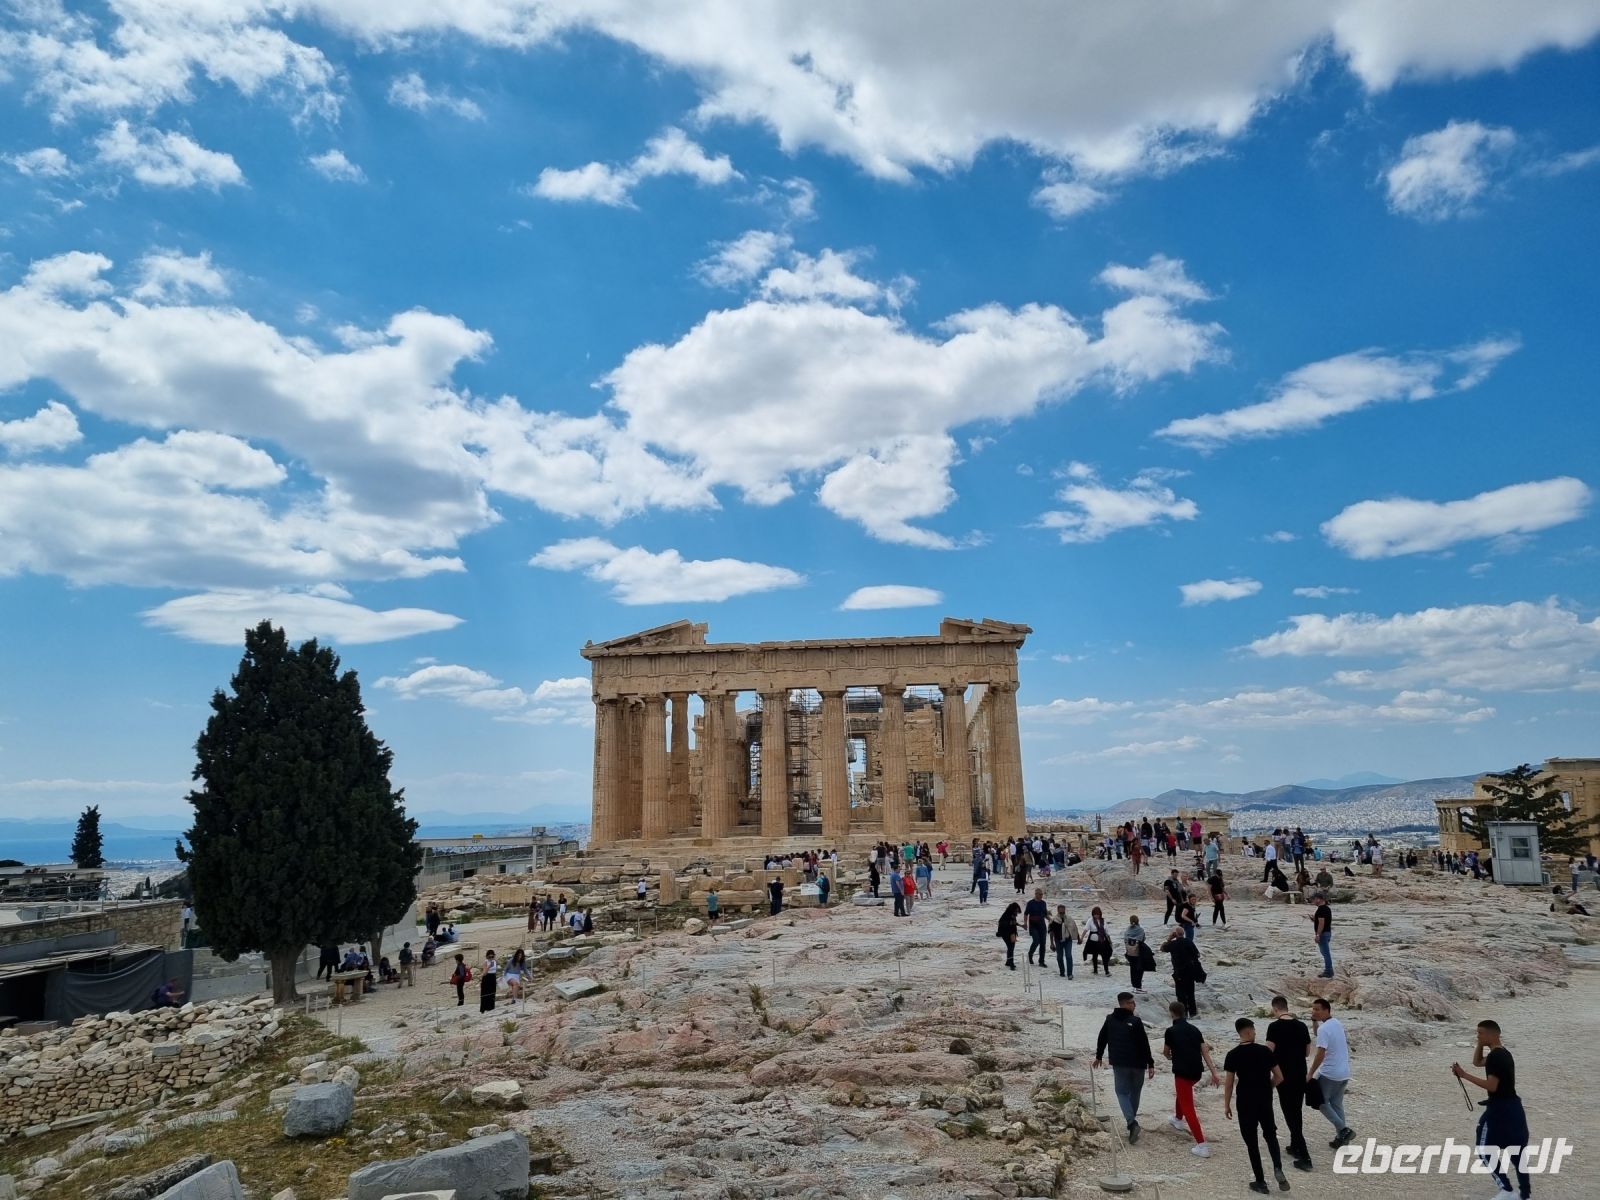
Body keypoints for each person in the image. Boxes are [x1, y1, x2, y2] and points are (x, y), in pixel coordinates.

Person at [1453, 1019, 1532, 1199]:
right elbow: (1477, 1061)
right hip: (1514, 1107)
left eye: (1480, 1033)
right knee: (1517, 1151)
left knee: (1484, 1149)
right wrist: (1480, 1044)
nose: (1477, 1036)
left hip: (1499, 1109)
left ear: (1492, 1034)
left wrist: (1463, 1075)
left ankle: (1506, 1190)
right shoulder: (1503, 1053)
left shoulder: (1496, 1057)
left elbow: (1492, 1086)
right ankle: (1525, 1194)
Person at [1224, 1017, 1290, 1194]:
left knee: (1252, 1143)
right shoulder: (1265, 1051)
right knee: (1270, 1135)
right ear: (1249, 1031)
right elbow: (1279, 1077)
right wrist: (1269, 1086)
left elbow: (1229, 1083)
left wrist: (1226, 1105)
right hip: (1264, 1100)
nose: (1255, 1032)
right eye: (1254, 1029)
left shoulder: (1232, 1055)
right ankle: (1277, 1167)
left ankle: (1260, 1182)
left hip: (1245, 1102)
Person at [1094, 992, 1155, 1143]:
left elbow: (1102, 1038)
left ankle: (1131, 1123)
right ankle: (1131, 1123)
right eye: (1132, 1003)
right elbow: (1144, 1043)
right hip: (1138, 1064)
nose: (1134, 1005)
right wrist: (1151, 1063)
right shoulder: (1136, 1021)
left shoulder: (1110, 1019)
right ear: (1126, 1004)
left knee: (1121, 1092)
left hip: (1120, 1063)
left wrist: (1099, 1056)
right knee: (1135, 1092)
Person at [1163, 1000, 1221, 1157]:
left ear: (1171, 1013)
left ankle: (1202, 1145)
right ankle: (1177, 1119)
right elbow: (1205, 1052)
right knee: (1183, 1095)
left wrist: (1170, 1057)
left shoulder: (1170, 1031)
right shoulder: (1195, 1030)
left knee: (1189, 1107)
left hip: (1182, 1072)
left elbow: (1166, 1052)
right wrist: (1214, 1073)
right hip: (1197, 1073)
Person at [1264, 996, 1314, 1171]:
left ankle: (1305, 1155)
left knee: (1289, 1113)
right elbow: (1308, 1052)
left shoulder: (1274, 1027)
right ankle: (1294, 1145)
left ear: (1275, 1008)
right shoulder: (1301, 1026)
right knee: (1296, 1110)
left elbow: (1268, 1052)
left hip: (1283, 1076)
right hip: (1300, 1074)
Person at [1308, 998, 1353, 1149]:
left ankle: (1344, 1130)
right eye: (1313, 1009)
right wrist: (1314, 1021)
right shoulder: (1335, 1023)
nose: (1314, 1011)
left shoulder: (1324, 1029)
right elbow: (1318, 1033)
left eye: (1317, 1009)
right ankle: (1342, 1138)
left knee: (1320, 1102)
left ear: (1327, 1010)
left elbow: (1320, 1053)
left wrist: (1311, 1072)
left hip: (1330, 1073)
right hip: (1344, 1072)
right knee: (1336, 1104)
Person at [1160, 925, 1203, 1016]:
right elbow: (1198, 954)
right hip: (1190, 971)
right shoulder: (1188, 941)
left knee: (1180, 994)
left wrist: (1169, 938)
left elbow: (1162, 949)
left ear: (1175, 934)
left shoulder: (1173, 944)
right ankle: (1193, 1013)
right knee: (1191, 993)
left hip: (1179, 972)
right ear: (1183, 933)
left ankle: (1183, 1014)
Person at [1049, 904, 1080, 979]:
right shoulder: (1054, 920)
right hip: (1058, 940)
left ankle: (1070, 973)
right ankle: (1062, 971)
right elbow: (1051, 932)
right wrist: (1052, 943)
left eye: (1063, 912)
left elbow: (1074, 929)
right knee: (1059, 957)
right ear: (1058, 911)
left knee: (1068, 956)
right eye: (1061, 912)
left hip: (1068, 940)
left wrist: (1078, 938)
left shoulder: (1069, 919)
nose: (1062, 914)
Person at [1084, 906, 1115, 975]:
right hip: (1093, 942)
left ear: (1100, 914)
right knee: (1095, 955)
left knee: (1105, 956)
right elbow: (1086, 930)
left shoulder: (1103, 921)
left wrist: (1109, 940)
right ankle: (1095, 970)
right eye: (1095, 914)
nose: (1096, 916)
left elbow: (1106, 931)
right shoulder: (1090, 920)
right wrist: (1081, 938)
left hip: (1102, 941)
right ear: (1093, 914)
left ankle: (1106, 971)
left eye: (1098, 914)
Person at [1124, 914, 1150, 992]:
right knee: (1139, 969)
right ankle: (1138, 987)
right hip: (1138, 953)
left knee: (1132, 969)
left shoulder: (1127, 929)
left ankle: (1134, 986)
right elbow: (1142, 939)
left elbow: (1125, 939)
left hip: (1129, 953)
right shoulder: (1140, 930)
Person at [1025, 888, 1050, 966]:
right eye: (1040, 894)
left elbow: (1045, 914)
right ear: (1036, 894)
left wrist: (1050, 919)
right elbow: (1026, 914)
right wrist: (1025, 923)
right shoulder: (1030, 903)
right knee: (1036, 941)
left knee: (1043, 943)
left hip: (1042, 925)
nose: (1041, 896)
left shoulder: (1043, 903)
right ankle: (1030, 954)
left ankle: (1041, 961)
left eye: (1042, 894)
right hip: (1033, 925)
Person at [1311, 893, 1334, 978]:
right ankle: (1329, 970)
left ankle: (1328, 971)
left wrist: (1318, 935)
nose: (1313, 901)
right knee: (1325, 952)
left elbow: (1321, 923)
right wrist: (1314, 919)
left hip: (1323, 934)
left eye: (1313, 899)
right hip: (1327, 932)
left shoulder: (1321, 910)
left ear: (1318, 899)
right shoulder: (1327, 908)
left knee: (1325, 953)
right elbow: (1323, 921)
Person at [997, 901, 1020, 970]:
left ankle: (1008, 961)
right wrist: (1011, 923)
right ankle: (1011, 963)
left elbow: (1014, 923)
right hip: (1006, 933)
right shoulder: (1007, 914)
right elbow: (1002, 922)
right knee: (1010, 948)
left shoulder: (1012, 914)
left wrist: (1020, 925)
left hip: (1011, 933)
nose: (1017, 912)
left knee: (1010, 948)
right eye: (1016, 910)